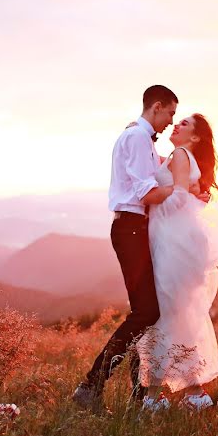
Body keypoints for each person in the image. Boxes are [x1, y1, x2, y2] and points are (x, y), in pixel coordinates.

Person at [71, 84, 181, 409]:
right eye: (170, 113)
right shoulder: (135, 137)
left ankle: (131, 390)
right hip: (130, 228)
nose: (171, 121)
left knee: (144, 313)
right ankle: (91, 385)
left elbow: (155, 172)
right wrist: (179, 190)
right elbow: (148, 193)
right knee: (147, 311)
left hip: (136, 229)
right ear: (156, 106)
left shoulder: (140, 138)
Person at [136, 113, 218, 412]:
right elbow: (178, 185)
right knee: (178, 315)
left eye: (184, 123)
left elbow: (175, 199)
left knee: (166, 316)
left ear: (196, 137)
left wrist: (147, 196)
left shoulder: (179, 154)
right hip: (181, 244)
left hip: (173, 247)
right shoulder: (180, 156)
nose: (177, 124)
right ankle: (194, 393)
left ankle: (154, 398)